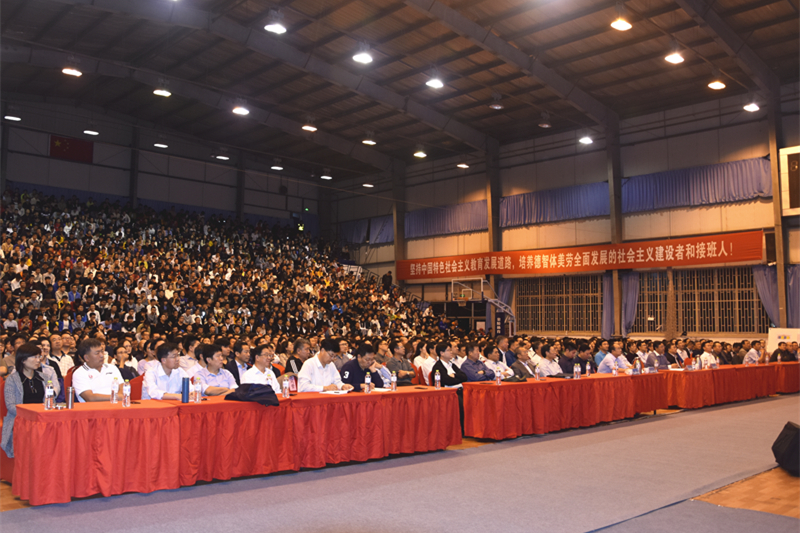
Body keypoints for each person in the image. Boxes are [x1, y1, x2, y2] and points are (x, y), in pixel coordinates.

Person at [2, 343, 61, 458]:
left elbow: (50, 401)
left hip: (42, 419)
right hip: (21, 420)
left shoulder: (44, 377)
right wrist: (31, 415)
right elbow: (11, 406)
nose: (38, 360)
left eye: (39, 356)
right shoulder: (12, 379)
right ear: (23, 360)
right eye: (34, 357)